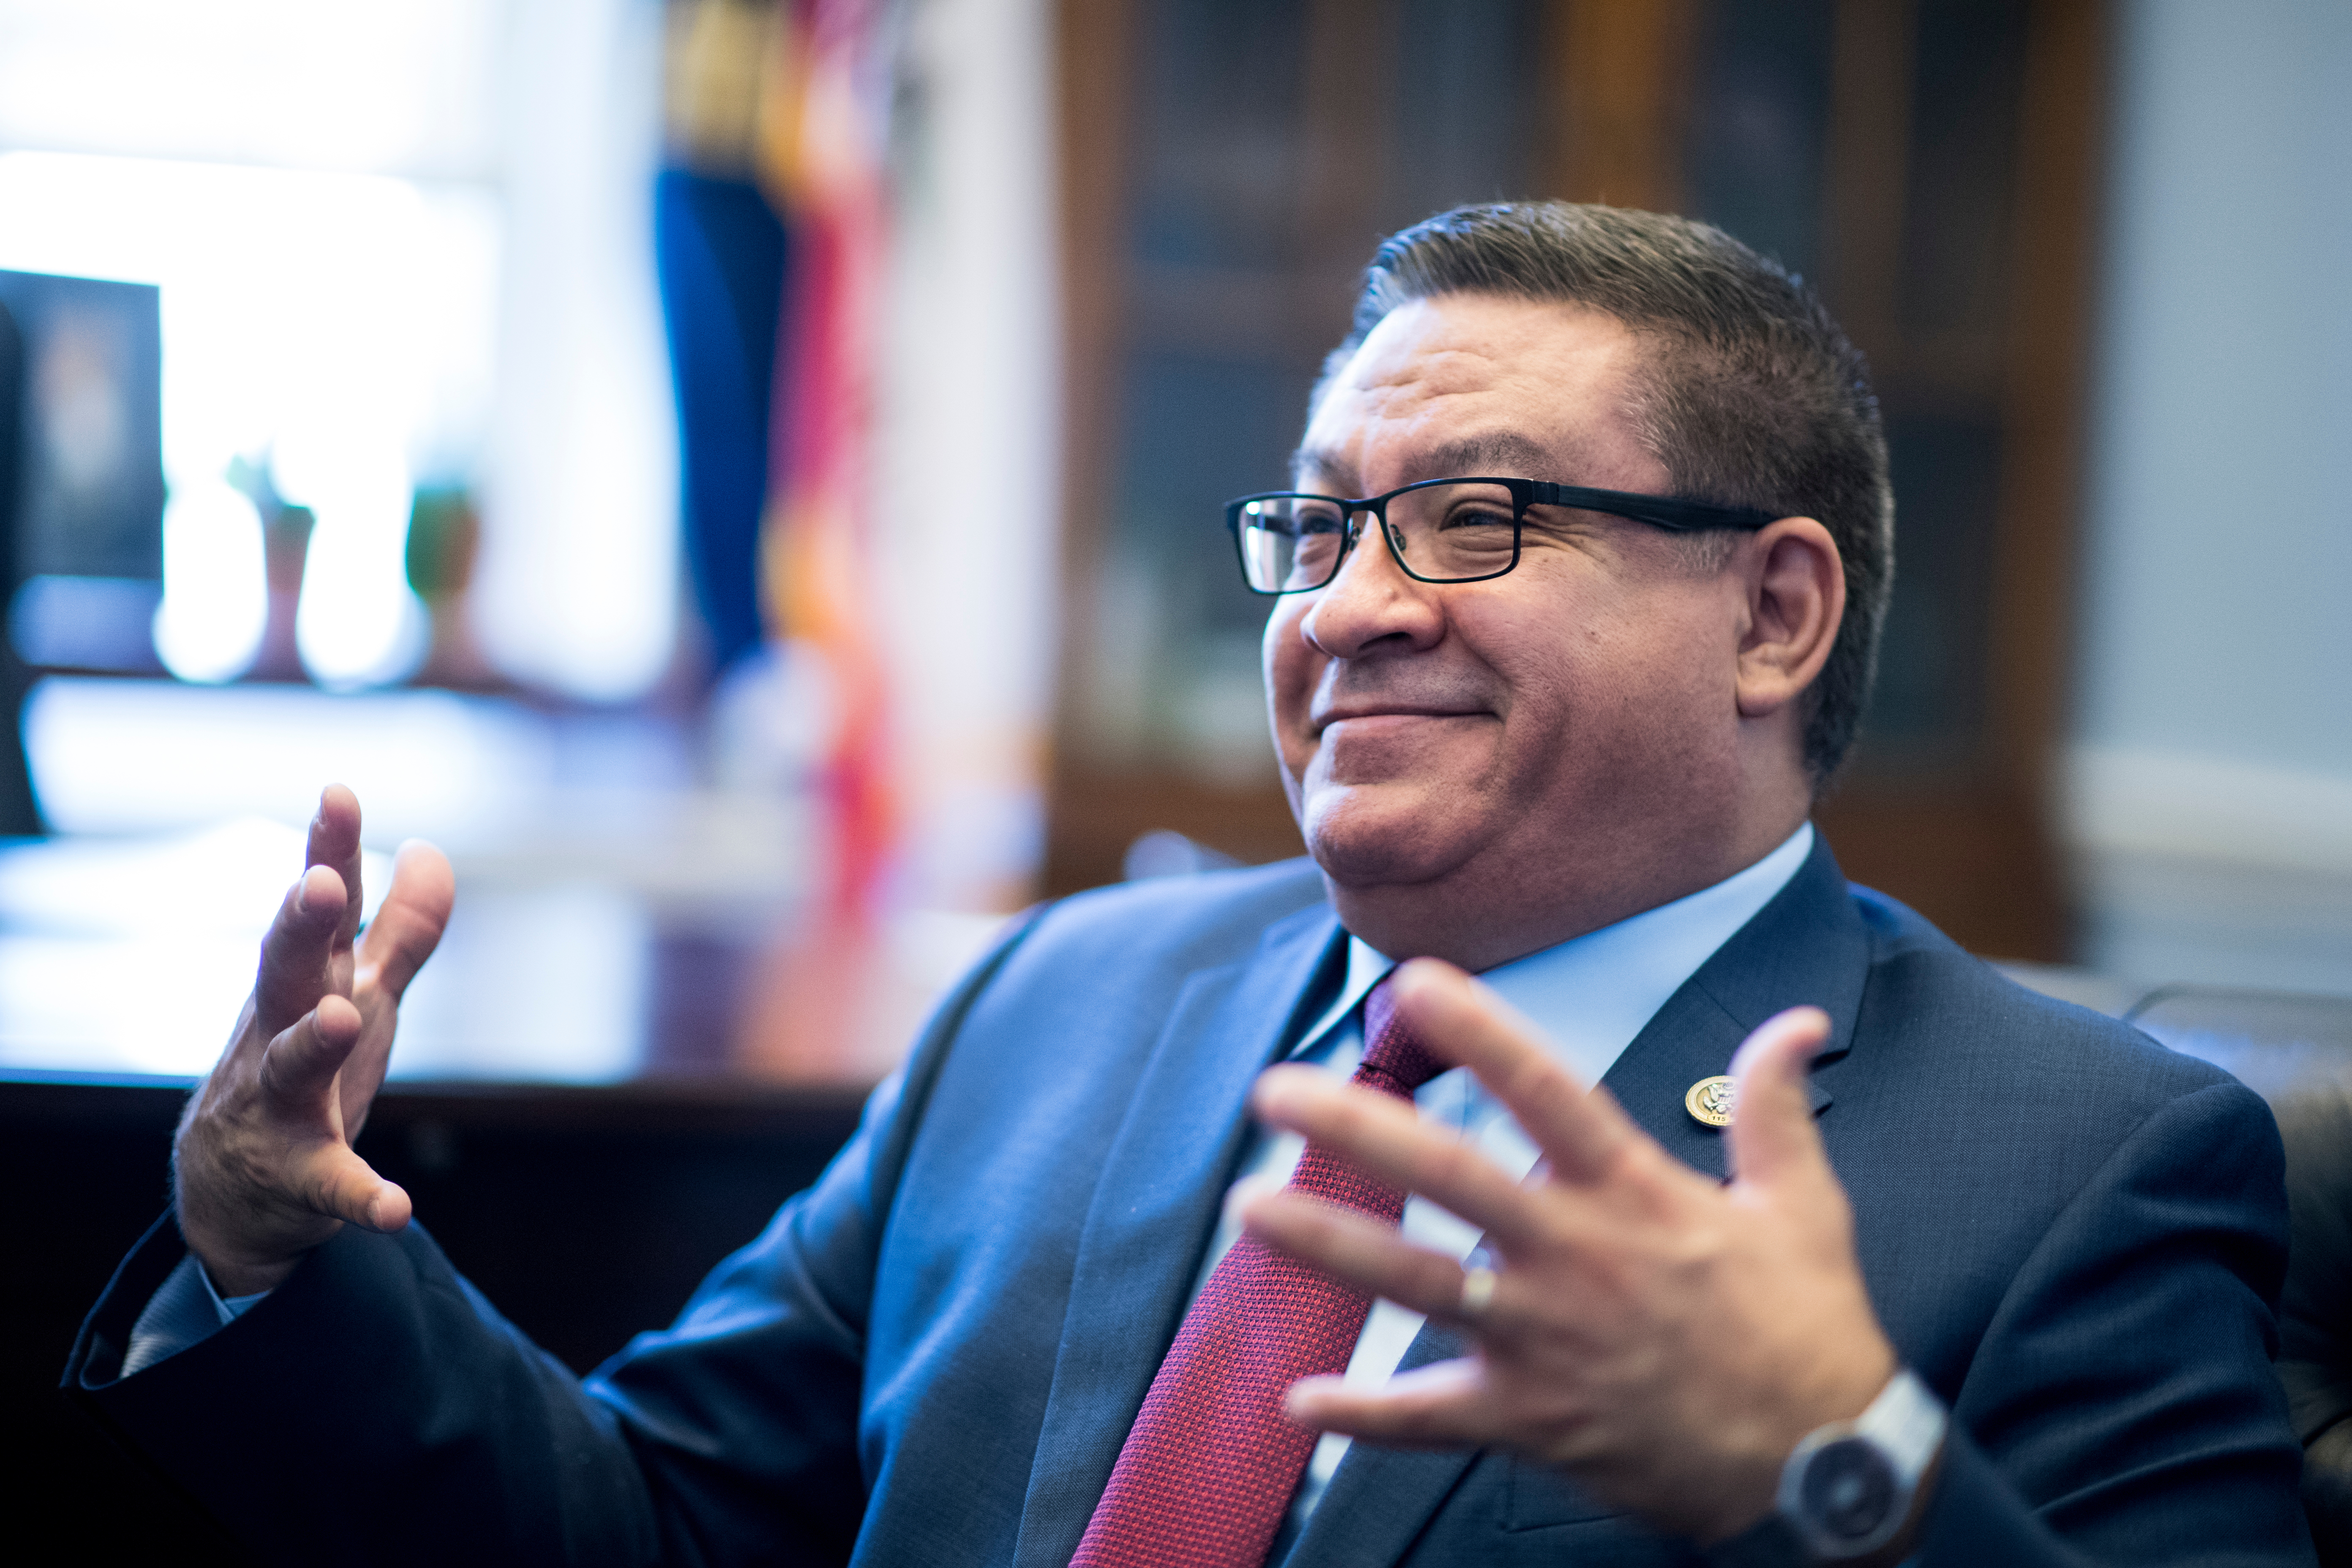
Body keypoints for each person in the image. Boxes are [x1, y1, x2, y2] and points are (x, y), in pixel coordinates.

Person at [68, 203, 2311, 1566]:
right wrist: (275, 1257)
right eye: (1318, 530)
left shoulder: (2083, 1169)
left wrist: (1833, 1473)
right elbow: (653, 1531)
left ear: (1776, 614)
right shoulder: (1061, 1003)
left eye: (1468, 519)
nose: (1342, 609)